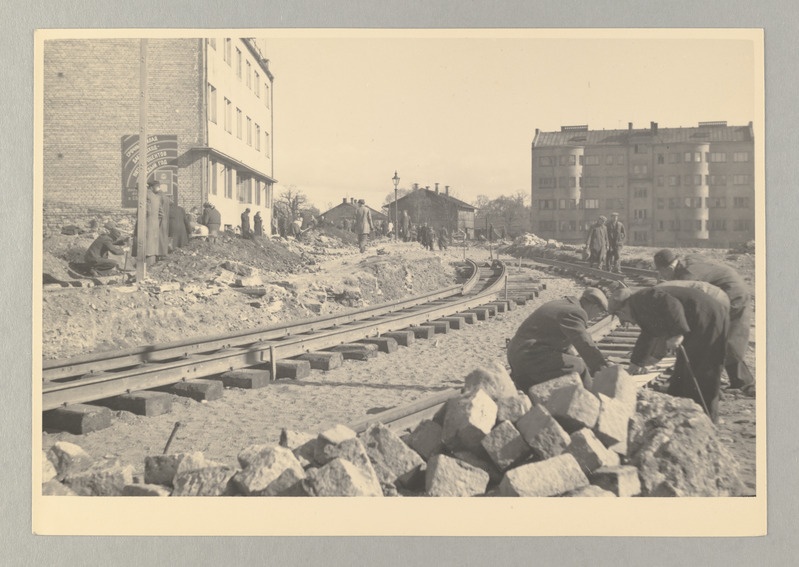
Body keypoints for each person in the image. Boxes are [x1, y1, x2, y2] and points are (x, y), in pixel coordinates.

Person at [608, 285, 729, 423]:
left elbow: (672, 304)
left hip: (706, 316)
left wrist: (677, 333)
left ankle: (707, 418)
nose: (630, 322)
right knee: (682, 371)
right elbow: (648, 335)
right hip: (697, 319)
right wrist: (636, 363)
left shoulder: (644, 298)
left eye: (625, 319)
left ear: (622, 310)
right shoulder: (640, 307)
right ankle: (683, 413)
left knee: (703, 367)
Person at [653, 249, 754, 394]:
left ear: (669, 268)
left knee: (726, 340)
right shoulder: (687, 261)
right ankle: (740, 382)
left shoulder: (687, 276)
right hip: (726, 292)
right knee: (722, 340)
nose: (661, 276)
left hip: (733, 296)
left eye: (661, 272)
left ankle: (744, 384)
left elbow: (690, 305)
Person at [507, 287, 610, 392]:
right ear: (594, 306)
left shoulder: (563, 304)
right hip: (529, 357)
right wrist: (602, 368)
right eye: (600, 312)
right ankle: (592, 398)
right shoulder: (575, 312)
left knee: (572, 360)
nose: (598, 316)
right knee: (578, 366)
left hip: (519, 355)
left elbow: (561, 344)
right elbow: (584, 343)